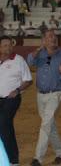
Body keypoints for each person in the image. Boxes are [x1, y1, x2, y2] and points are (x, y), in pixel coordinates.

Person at [27, 29, 61, 166]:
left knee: (45, 124)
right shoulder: (40, 53)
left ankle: (38, 158)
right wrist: (40, 48)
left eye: (55, 36)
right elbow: (29, 61)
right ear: (44, 40)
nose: (54, 38)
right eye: (50, 36)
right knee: (49, 125)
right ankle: (60, 152)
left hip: (55, 93)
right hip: (40, 95)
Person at [0, 36, 33, 165]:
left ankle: (11, 160)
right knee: (6, 127)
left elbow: (28, 80)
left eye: (9, 45)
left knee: (3, 124)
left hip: (12, 99)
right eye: (4, 45)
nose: (7, 48)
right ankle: (12, 159)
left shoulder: (18, 60)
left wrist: (17, 90)